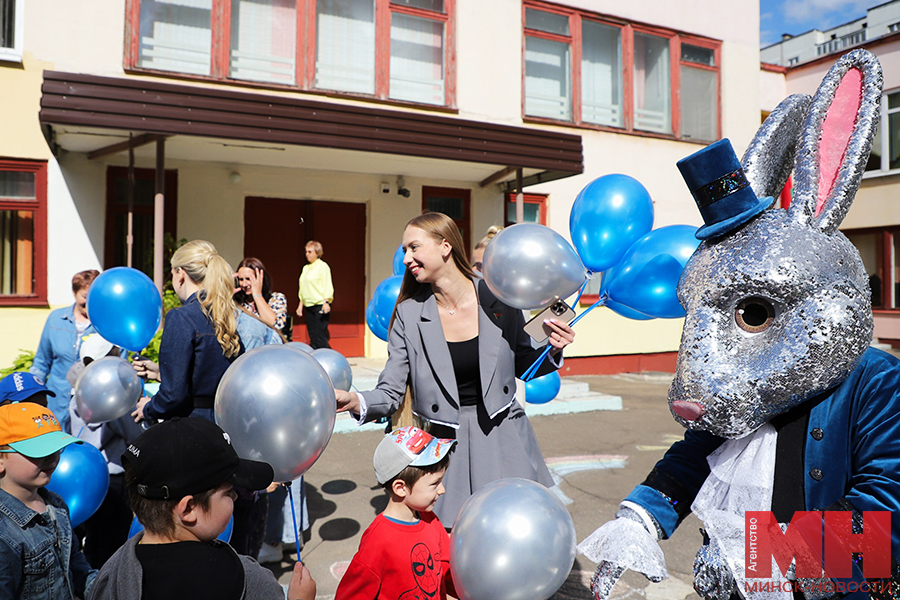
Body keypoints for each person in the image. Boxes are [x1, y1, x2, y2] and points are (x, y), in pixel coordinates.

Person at [335, 212, 575, 527]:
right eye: (405, 250)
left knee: (512, 528)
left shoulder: (498, 294)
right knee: (454, 545)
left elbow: (523, 364)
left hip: (504, 438)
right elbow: (391, 390)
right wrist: (356, 401)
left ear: (445, 246)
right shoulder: (408, 314)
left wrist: (554, 347)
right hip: (445, 446)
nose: (406, 258)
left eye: (413, 248)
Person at [87, 417, 316, 600]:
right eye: (228, 492)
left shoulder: (110, 576)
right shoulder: (250, 581)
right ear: (188, 509)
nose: (236, 496)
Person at [335, 426, 457, 600]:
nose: (442, 490)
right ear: (400, 488)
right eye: (435, 483)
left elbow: (447, 573)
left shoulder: (431, 521)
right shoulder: (377, 540)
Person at [133, 241, 242, 423]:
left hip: (192, 425)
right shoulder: (224, 315)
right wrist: (162, 373)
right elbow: (209, 374)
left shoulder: (181, 317)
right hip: (224, 423)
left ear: (181, 274)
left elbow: (173, 396)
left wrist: (149, 408)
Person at [0, 402, 97, 599]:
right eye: (39, 451)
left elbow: (77, 569)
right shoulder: (3, 532)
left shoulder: (56, 504)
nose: (53, 458)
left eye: (56, 448)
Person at [66, 334, 144, 569]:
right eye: (116, 353)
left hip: (85, 471)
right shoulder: (112, 395)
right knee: (112, 541)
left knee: (93, 538)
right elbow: (134, 434)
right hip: (113, 476)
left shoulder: (78, 389)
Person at [31, 269, 100, 432]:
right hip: (56, 402)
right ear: (74, 293)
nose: (89, 303)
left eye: (93, 298)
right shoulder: (55, 319)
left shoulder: (106, 325)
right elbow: (41, 362)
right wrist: (33, 397)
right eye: (84, 297)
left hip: (91, 406)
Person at [296, 241, 333, 349]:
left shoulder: (323, 266)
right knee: (312, 335)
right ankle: (314, 357)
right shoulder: (306, 268)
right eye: (306, 252)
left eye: (310, 252)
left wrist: (326, 302)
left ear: (317, 252)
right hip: (308, 305)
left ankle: (324, 357)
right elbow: (302, 288)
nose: (307, 254)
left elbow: (327, 284)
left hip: (320, 304)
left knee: (320, 334)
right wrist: (300, 305)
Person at [233, 257, 288, 331]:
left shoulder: (276, 298)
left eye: (248, 279)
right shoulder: (236, 302)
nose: (244, 284)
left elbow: (275, 325)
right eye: (241, 279)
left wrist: (257, 295)